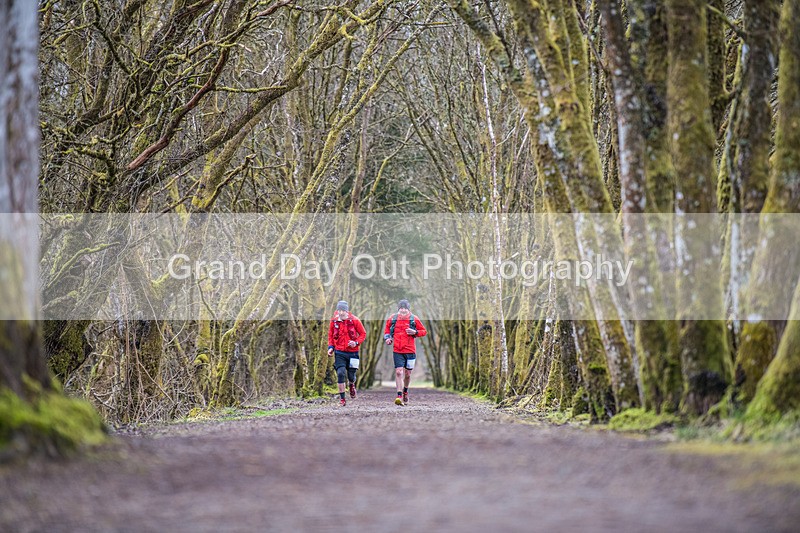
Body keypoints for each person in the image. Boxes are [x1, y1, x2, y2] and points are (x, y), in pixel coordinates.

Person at [384, 299, 426, 405]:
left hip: (410, 350)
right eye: (401, 308)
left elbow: (424, 331)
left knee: (407, 374)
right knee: (398, 372)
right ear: (398, 309)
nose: (403, 310)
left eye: (405, 308)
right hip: (397, 350)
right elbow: (387, 329)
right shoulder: (393, 318)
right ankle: (399, 396)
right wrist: (388, 338)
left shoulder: (414, 319)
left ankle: (405, 391)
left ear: (408, 309)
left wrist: (415, 332)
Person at [328, 300, 366, 406]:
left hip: (353, 353)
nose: (340, 313)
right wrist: (330, 347)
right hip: (340, 352)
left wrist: (356, 342)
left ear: (347, 311)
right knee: (340, 373)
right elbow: (330, 336)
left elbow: (363, 334)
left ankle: (352, 384)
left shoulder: (355, 320)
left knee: (351, 375)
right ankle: (342, 399)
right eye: (339, 310)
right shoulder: (334, 321)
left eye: (343, 310)